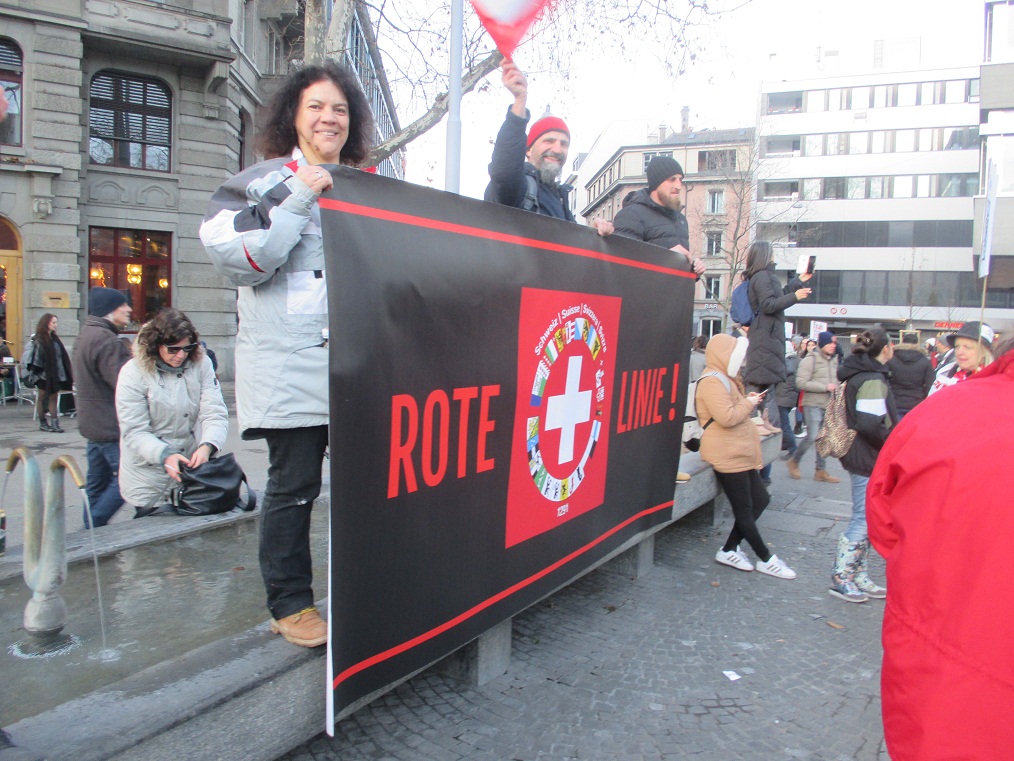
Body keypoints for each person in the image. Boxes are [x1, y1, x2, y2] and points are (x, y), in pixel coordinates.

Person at [200, 61, 373, 648]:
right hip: (289, 369)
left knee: (365, 484)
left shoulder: (362, 185)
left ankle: (365, 586)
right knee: (294, 486)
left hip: (353, 366)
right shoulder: (264, 182)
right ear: (294, 117)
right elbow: (243, 259)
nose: (330, 118)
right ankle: (291, 604)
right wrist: (302, 193)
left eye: (341, 109)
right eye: (317, 107)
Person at [867, 338, 1014, 760]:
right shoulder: (942, 393)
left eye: (968, 346)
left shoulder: (945, 408)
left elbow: (885, 527)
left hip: (941, 674)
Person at [697, 334, 796, 580]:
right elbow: (727, 417)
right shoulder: (711, 381)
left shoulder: (726, 379)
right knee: (745, 508)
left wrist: (749, 403)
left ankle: (730, 548)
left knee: (760, 499)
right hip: (726, 453)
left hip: (737, 451)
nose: (740, 362)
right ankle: (766, 558)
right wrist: (750, 403)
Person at [117, 309, 228, 514]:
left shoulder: (201, 363)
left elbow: (214, 412)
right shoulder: (133, 373)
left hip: (191, 472)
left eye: (187, 348)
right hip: (148, 474)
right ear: (156, 345)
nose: (181, 355)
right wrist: (165, 455)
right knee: (152, 534)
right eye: (173, 349)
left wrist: (208, 446)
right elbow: (134, 430)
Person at [484, 62, 611, 233]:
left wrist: (594, 236)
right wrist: (520, 101)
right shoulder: (517, 186)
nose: (557, 149)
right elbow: (504, 166)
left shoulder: (560, 198)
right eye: (548, 141)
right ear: (528, 150)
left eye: (563, 144)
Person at [828, 328, 896, 603]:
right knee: (863, 518)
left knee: (866, 516)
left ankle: (858, 575)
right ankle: (842, 577)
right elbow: (870, 423)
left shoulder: (861, 373)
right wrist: (892, 442)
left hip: (862, 454)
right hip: (867, 455)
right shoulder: (871, 378)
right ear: (885, 349)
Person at [72, 287, 134, 528]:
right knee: (129, 479)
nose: (129, 309)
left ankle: (90, 534)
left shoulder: (86, 334)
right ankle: (94, 525)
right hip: (109, 425)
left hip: (92, 424)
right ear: (110, 310)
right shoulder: (106, 339)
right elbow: (124, 383)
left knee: (96, 484)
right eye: (123, 305)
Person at [612, 155, 706, 276]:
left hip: (673, 294)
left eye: (680, 180)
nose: (678, 186)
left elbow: (677, 269)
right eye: (672, 179)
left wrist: (693, 269)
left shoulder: (680, 219)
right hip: (642, 294)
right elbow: (620, 262)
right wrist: (665, 256)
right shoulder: (631, 214)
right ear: (657, 183)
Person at [742, 241, 810, 394]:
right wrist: (795, 297)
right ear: (766, 255)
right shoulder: (763, 276)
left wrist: (798, 282)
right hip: (766, 341)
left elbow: (776, 298)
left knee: (763, 395)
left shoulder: (761, 276)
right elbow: (768, 304)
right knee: (764, 396)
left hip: (765, 340)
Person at [787, 331, 841, 483]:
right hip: (812, 403)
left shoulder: (834, 360)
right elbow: (801, 382)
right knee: (812, 436)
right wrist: (825, 387)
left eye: (834, 343)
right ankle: (794, 461)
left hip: (828, 404)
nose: (833, 346)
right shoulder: (810, 360)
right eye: (830, 343)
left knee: (824, 439)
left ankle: (820, 471)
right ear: (822, 344)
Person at [23, 313, 73, 432]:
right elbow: (35, 358)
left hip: (55, 373)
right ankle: (43, 423)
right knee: (42, 397)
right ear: (47, 323)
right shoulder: (39, 339)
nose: (56, 325)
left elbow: (61, 356)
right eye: (53, 322)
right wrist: (39, 372)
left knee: (54, 396)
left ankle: (55, 423)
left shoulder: (55, 339)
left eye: (56, 322)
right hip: (43, 375)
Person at [928, 320, 994, 396]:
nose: (959, 352)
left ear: (984, 352)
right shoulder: (945, 373)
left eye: (967, 347)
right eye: (957, 346)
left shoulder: (994, 382)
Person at [885, 334, 934, 418]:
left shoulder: (891, 358)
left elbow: (884, 379)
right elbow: (929, 384)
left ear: (902, 341)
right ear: (917, 343)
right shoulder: (925, 361)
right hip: (916, 402)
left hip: (894, 402)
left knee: (896, 430)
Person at [774, 336, 803, 460]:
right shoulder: (798, 360)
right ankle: (785, 444)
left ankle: (793, 449)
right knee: (784, 423)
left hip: (782, 396)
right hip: (791, 397)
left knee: (784, 424)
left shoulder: (785, 362)